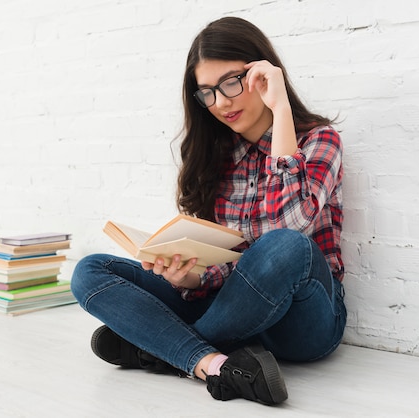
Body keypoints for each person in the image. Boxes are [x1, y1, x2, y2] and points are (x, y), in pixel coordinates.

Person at [71, 16, 346, 406]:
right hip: (233, 312)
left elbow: (290, 223)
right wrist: (190, 279)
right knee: (91, 271)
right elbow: (222, 262)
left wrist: (281, 108)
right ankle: (213, 364)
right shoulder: (216, 157)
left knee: (285, 246)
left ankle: (161, 346)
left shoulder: (319, 140)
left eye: (231, 83)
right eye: (208, 93)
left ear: (262, 75)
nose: (221, 103)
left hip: (303, 323)